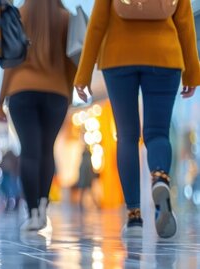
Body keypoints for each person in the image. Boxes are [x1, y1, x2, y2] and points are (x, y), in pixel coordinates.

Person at [74, 0, 200, 238]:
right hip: (165, 56)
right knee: (158, 133)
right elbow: (184, 22)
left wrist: (83, 73)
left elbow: (98, 22)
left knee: (127, 136)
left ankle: (133, 217)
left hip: (118, 56)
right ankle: (160, 178)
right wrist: (192, 71)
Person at [0, 0, 75, 231]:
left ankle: (32, 213)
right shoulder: (65, 17)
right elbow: (72, 60)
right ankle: (43, 207)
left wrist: (0, 101)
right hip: (56, 92)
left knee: (29, 152)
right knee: (46, 150)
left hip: (22, 91)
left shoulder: (19, 14)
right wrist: (68, 92)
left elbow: (10, 60)